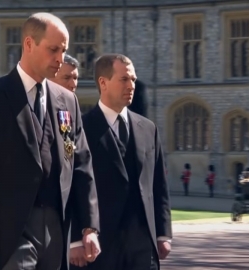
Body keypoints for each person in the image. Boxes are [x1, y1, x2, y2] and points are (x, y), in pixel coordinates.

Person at [0, 12, 100, 270]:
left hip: (57, 230)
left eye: (64, 50)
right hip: (10, 231)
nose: (60, 58)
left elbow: (80, 165)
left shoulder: (67, 101)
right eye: (53, 49)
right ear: (28, 44)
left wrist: (88, 227)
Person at [69, 53, 172, 270]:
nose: (131, 85)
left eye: (133, 80)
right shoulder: (81, 128)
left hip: (143, 243)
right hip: (99, 243)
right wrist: (76, 239)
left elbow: (158, 185)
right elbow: (72, 188)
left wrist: (163, 233)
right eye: (124, 79)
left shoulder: (148, 128)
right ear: (103, 83)